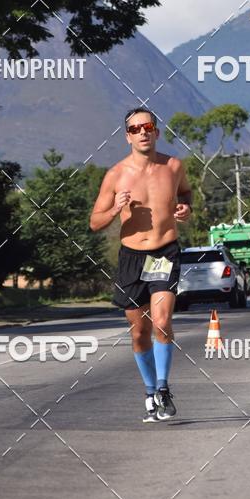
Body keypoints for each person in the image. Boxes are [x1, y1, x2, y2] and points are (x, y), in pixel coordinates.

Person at [89, 108, 192, 422]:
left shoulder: (173, 166)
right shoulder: (116, 175)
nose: (142, 132)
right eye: (135, 129)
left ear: (157, 132)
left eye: (148, 126)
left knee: (161, 322)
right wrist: (115, 209)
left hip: (164, 252)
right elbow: (95, 222)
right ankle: (149, 392)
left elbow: (186, 193)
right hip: (132, 257)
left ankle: (163, 388)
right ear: (127, 136)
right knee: (139, 333)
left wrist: (186, 208)